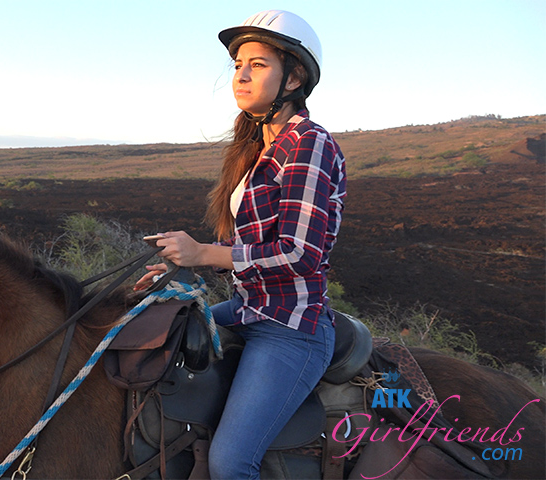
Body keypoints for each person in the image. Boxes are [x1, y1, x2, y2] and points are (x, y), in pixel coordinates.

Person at [134, 9, 346, 479]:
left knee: (231, 463)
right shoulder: (260, 149)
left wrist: (204, 254)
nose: (242, 75)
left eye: (258, 64)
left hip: (290, 328)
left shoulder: (309, 144)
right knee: (141, 332)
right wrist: (178, 264)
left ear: (293, 78)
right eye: (237, 65)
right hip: (248, 308)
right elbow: (247, 243)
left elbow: (299, 254)